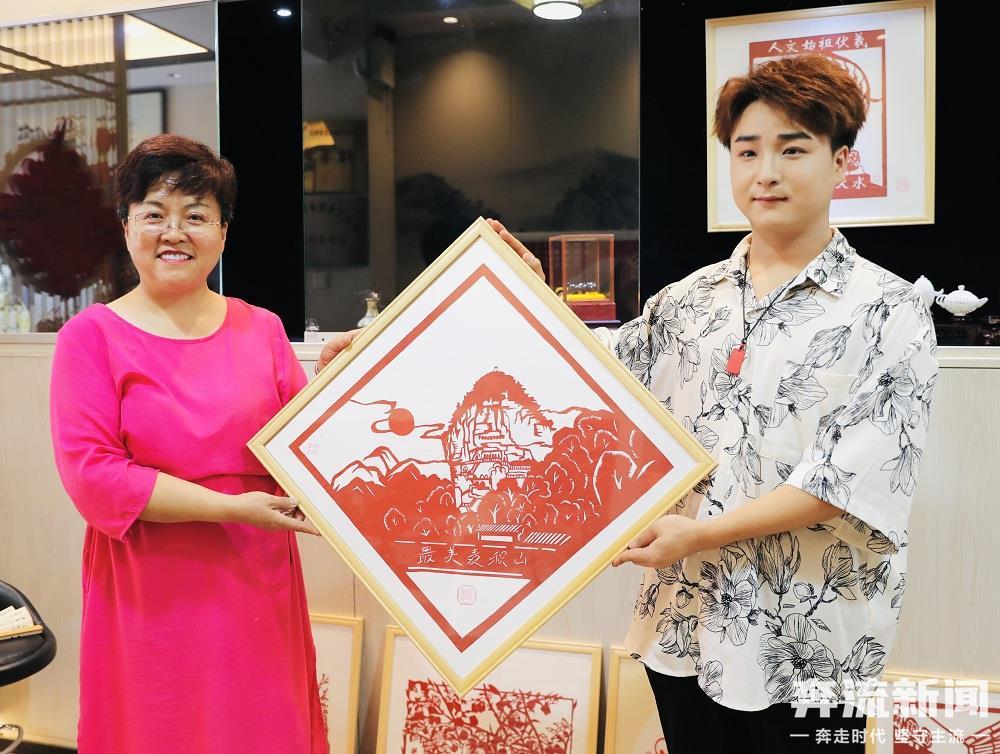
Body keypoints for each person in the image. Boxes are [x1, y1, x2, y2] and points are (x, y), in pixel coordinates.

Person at [316, 54, 938, 753]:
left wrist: (698, 534)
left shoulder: (890, 311)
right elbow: (582, 372)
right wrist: (387, 348)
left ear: (842, 161)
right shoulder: (687, 301)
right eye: (747, 151)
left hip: (814, 638)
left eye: (793, 149)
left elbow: (844, 482)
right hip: (686, 620)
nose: (766, 172)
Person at [50, 134, 328, 753]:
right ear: (126, 226)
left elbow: (310, 451)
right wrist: (231, 508)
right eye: (154, 214)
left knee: (260, 730)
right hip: (149, 592)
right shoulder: (90, 337)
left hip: (254, 584)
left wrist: (343, 382)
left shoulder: (263, 329)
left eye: (196, 216)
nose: (174, 232)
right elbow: (96, 479)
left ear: (223, 233)